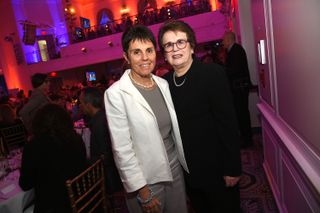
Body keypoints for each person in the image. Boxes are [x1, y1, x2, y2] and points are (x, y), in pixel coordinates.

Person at [158, 20, 242, 213]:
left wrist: (233, 168)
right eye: (168, 45)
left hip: (218, 170)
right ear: (164, 53)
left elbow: (227, 123)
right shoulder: (165, 84)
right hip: (187, 172)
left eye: (181, 42)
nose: (175, 48)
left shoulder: (212, 73)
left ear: (192, 46)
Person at [104, 25, 189, 213]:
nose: (145, 58)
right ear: (126, 56)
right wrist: (142, 191)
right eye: (136, 52)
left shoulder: (163, 83)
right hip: (146, 178)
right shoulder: (116, 93)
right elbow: (122, 149)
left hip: (174, 167)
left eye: (149, 50)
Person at [19, 104, 87, 213]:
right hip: (81, 197)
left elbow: (25, 184)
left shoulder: (33, 146)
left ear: (38, 123)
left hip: (53, 207)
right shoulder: (76, 139)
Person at [79, 87, 123, 195]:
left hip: (109, 178)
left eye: (81, 103)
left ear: (89, 105)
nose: (80, 106)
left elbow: (105, 155)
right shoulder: (103, 116)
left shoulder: (98, 123)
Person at [222, 31, 253, 148]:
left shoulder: (236, 50)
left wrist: (223, 71)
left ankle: (247, 139)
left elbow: (235, 70)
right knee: (240, 113)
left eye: (224, 40)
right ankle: (245, 137)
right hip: (238, 87)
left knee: (242, 113)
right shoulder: (233, 50)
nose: (222, 42)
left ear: (229, 39)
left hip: (239, 88)